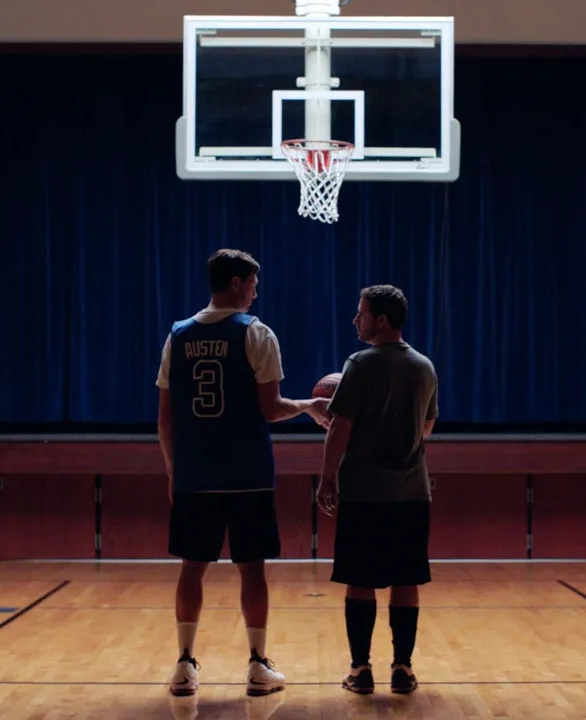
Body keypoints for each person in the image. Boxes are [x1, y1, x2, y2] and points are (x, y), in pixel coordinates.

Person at [156, 248, 331, 698]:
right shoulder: (256, 333)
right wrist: (309, 406)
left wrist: (174, 470)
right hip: (247, 473)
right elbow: (270, 409)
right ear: (235, 282)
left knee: (191, 568)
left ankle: (184, 665)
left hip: (195, 473)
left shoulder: (176, 336)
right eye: (253, 282)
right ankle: (256, 664)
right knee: (252, 569)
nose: (256, 290)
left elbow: (166, 416)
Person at [316, 284, 438, 696]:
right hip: (411, 493)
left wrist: (327, 477)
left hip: (365, 493)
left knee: (360, 580)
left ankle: (360, 669)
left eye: (361, 314)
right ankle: (402, 668)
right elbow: (427, 427)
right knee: (406, 582)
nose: (356, 321)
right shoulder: (425, 366)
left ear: (380, 321)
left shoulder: (359, 364)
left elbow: (341, 427)